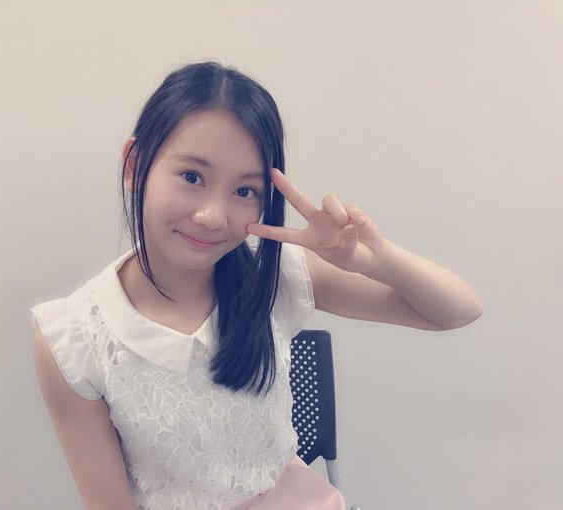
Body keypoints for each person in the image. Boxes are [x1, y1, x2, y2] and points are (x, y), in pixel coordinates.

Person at [31, 61, 482, 510]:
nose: (213, 216)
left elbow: (458, 310)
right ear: (135, 165)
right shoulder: (75, 339)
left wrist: (375, 258)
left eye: (244, 191)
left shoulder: (274, 273)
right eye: (192, 177)